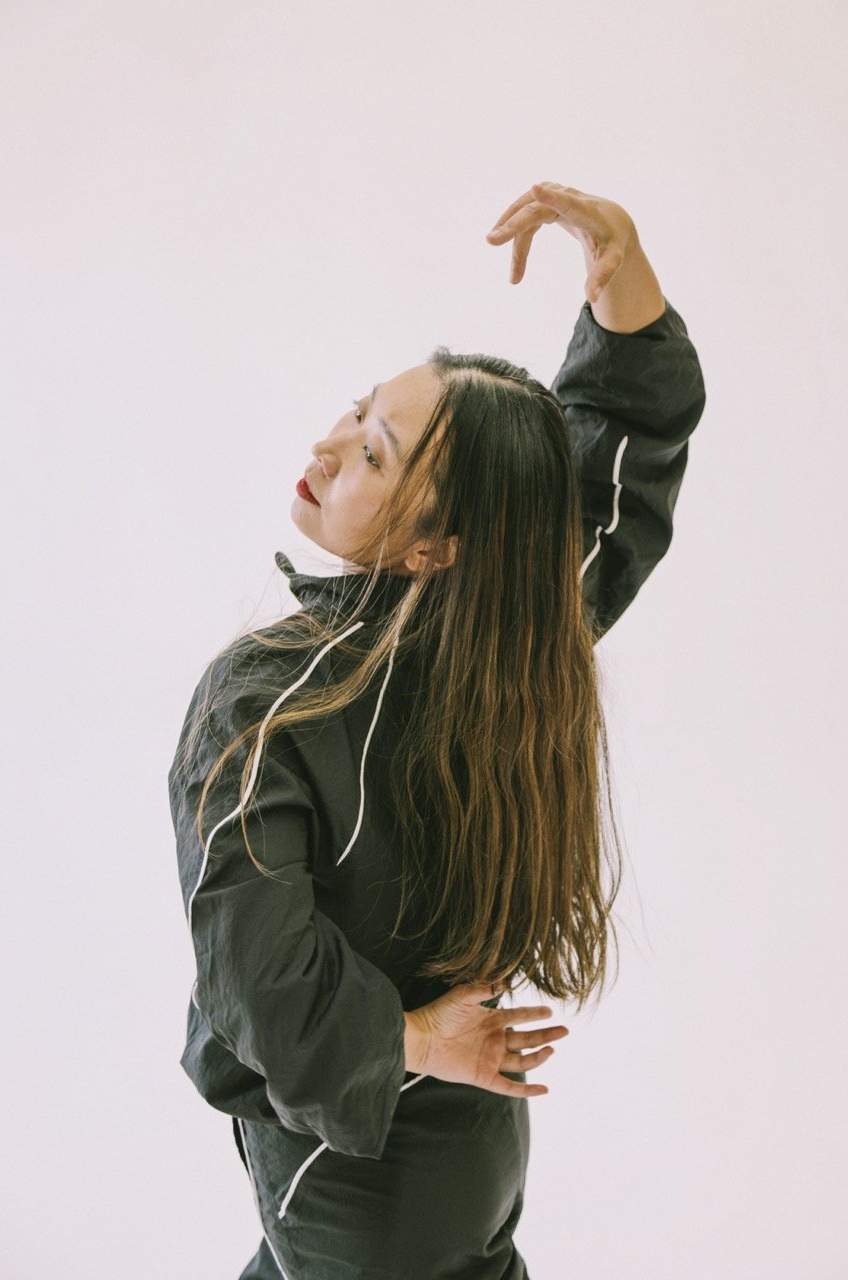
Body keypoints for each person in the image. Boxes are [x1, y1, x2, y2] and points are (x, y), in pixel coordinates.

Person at [168, 180, 707, 1280]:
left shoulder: (270, 699)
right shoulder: (519, 634)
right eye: (359, 411)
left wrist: (415, 1040)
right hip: (465, 1154)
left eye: (372, 452)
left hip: (356, 1183)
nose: (326, 444)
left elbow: (265, 987)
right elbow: (617, 464)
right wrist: (624, 277)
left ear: (435, 546)